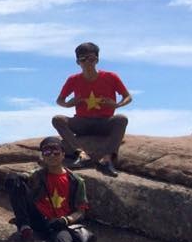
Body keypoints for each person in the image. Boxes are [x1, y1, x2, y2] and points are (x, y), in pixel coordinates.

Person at [52, 42, 132, 177]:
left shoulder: (111, 77)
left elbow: (128, 97)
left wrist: (117, 105)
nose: (87, 63)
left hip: (105, 122)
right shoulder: (73, 79)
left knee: (121, 119)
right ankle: (81, 154)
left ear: (97, 60)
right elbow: (59, 100)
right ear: (78, 62)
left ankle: (106, 160)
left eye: (91, 59)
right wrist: (68, 104)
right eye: (83, 59)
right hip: (82, 122)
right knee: (57, 119)